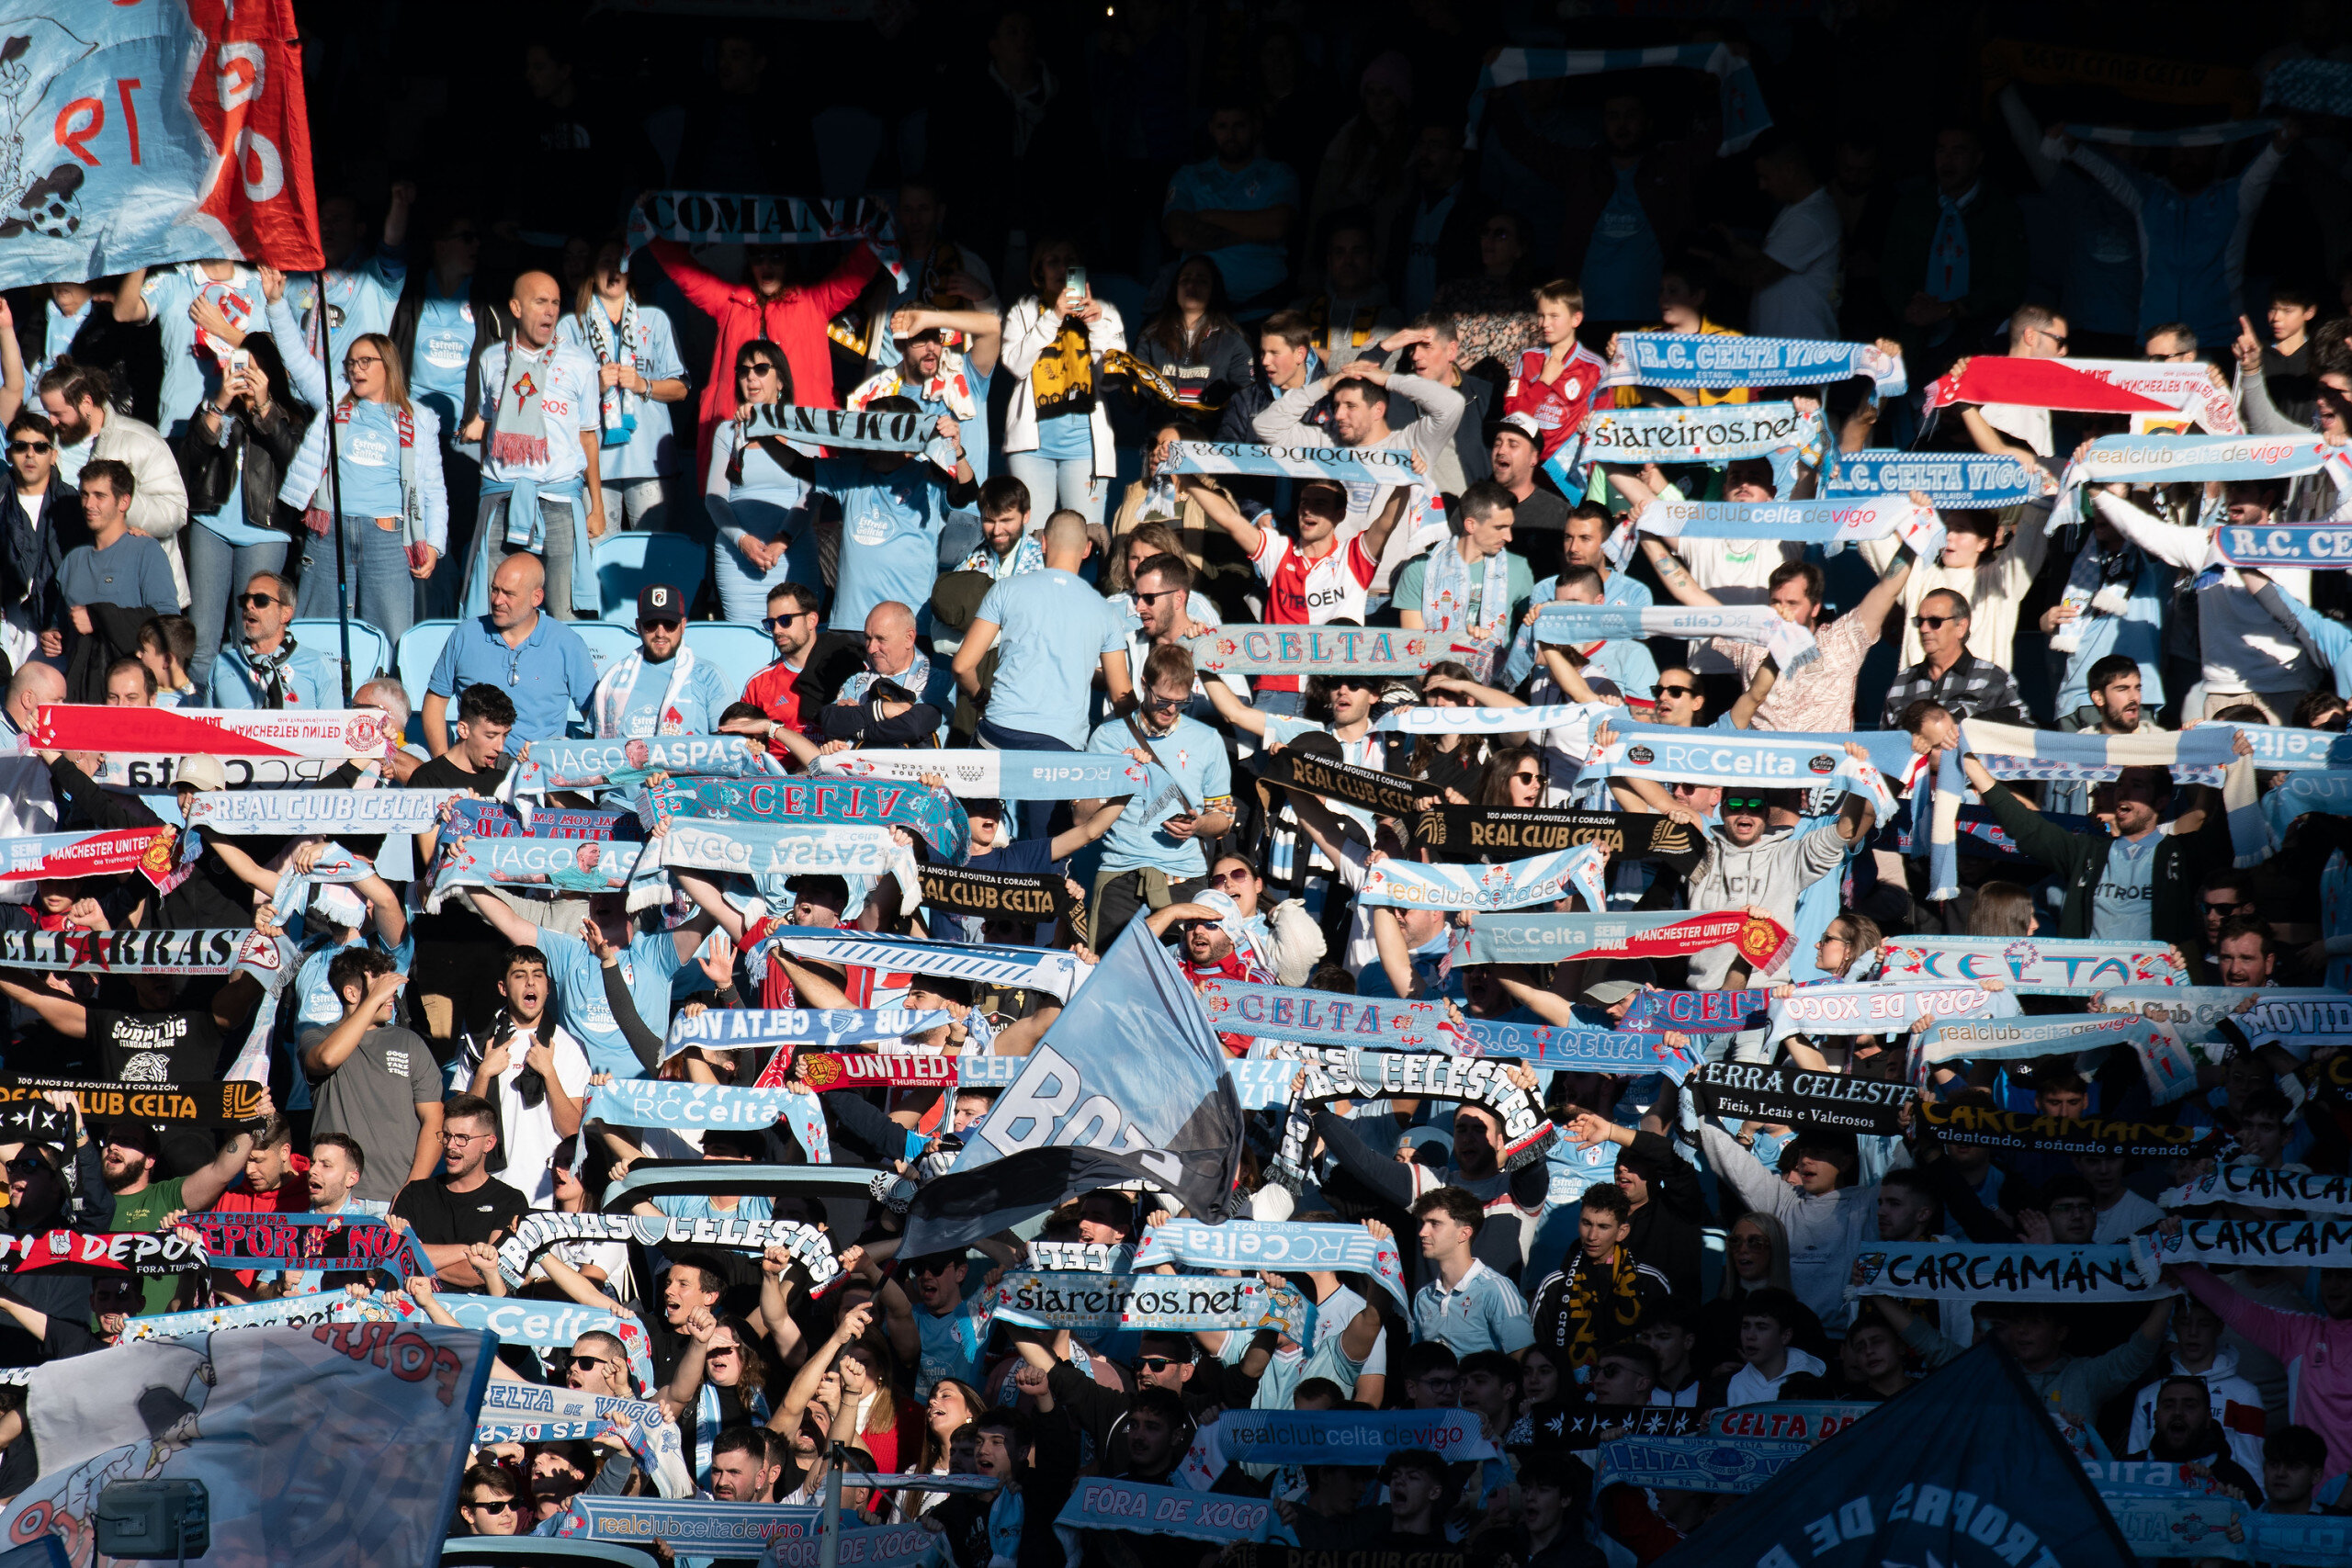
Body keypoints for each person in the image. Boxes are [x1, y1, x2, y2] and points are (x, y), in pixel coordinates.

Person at [648, 226, 882, 479]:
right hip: (740, 438)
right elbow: (685, 274)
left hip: (800, 441)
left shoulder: (814, 302)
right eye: (758, 256)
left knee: (803, 502)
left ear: (789, 261)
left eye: (776, 256)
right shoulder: (730, 304)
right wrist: (649, 231)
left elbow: (855, 272)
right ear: (749, 263)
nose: (766, 265)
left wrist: (880, 229)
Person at [953, 511, 1131, 841]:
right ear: (1087, 550)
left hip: (998, 734)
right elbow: (1122, 696)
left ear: (1044, 544)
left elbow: (962, 666)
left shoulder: (1006, 589)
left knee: (970, 842)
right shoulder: (1106, 612)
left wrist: (980, 698)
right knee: (1046, 853)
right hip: (1059, 749)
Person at [276, 329, 445, 643]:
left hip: (387, 539)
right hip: (330, 534)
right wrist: (274, 306)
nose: (356, 369)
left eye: (365, 361)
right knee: (319, 635)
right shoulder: (335, 400)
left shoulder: (419, 418)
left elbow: (433, 490)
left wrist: (434, 544)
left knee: (388, 637)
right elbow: (296, 360)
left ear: (388, 365)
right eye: (351, 363)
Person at [458, 271, 604, 619]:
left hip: (559, 499)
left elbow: (587, 436)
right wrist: (486, 490)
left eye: (555, 302)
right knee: (493, 608)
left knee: (563, 610)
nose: (550, 310)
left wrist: (596, 506)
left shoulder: (580, 362)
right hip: (501, 498)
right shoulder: (491, 359)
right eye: (540, 302)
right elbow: (489, 429)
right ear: (516, 308)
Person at [1079, 643, 1233, 950]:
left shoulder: (1207, 739)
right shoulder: (1107, 737)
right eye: (1163, 700)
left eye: (1181, 702)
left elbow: (1224, 819)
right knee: (1111, 971)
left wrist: (1198, 825)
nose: (1171, 709)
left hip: (1184, 880)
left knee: (1178, 975)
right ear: (1144, 685)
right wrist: (1120, 774)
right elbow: (1080, 817)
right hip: (1121, 876)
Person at [175, 334, 308, 688]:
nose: (246, 377)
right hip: (211, 526)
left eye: (254, 370)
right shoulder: (217, 407)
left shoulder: (292, 415)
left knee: (249, 633)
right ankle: (201, 707)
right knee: (203, 636)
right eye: (240, 368)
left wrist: (264, 407)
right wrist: (219, 404)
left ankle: (245, 706)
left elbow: (295, 464)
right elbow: (189, 460)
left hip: (265, 532)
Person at [554, 239, 691, 533]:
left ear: (631, 272)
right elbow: (555, 398)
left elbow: (681, 388)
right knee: (597, 552)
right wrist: (595, 386)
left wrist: (644, 385)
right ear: (592, 271)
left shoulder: (655, 320)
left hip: (649, 461)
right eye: (606, 262)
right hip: (593, 464)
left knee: (650, 552)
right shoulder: (570, 326)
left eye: (621, 263)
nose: (614, 270)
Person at [36, 361, 189, 609]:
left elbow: (175, 511)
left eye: (58, 413)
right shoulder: (47, 446)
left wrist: (120, 507)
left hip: (137, 592)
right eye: (48, 413)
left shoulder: (139, 441)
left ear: (86, 403)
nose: (52, 421)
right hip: (73, 586)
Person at [299, 947, 442, 1207]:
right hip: (337, 1200)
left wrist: (413, 1188)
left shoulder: (410, 1043)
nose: (391, 995)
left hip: (396, 1199)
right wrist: (372, 1000)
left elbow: (434, 1119)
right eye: (381, 987)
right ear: (351, 994)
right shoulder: (317, 1037)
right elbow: (327, 1059)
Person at [450, 945, 591, 1206]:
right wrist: (484, 1073)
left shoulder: (570, 1046)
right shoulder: (479, 1045)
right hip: (487, 1191)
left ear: (547, 987)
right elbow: (458, 1129)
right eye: (519, 975)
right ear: (503, 988)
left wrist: (548, 1072)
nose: (530, 982)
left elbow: (573, 1130)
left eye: (537, 975)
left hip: (546, 1194)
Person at [1000, 238, 1124, 531]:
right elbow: (1016, 365)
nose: (1062, 269)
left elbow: (1111, 381)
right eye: (1053, 261)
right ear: (1039, 270)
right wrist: (1054, 316)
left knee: (1085, 537)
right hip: (1032, 449)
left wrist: (1096, 325)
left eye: (1070, 262)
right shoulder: (1024, 310)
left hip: (1085, 448)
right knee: (1032, 537)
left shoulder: (1105, 312)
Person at [421, 553, 600, 751]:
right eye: (495, 590)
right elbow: (435, 702)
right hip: (473, 765)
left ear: (536, 598)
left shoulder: (567, 644)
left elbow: (595, 718)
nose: (498, 600)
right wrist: (443, 763)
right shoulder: (465, 635)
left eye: (509, 594)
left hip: (537, 766)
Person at [704, 339, 814, 620]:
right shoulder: (727, 432)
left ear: (781, 381)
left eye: (761, 369)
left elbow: (812, 495)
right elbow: (715, 499)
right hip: (736, 561)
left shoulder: (804, 429)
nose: (751, 377)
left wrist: (780, 541)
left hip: (791, 557)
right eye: (744, 371)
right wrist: (743, 541)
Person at [58, 460, 178, 703]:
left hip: (128, 697)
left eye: (99, 496)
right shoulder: (72, 560)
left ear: (124, 502)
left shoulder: (146, 551)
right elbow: (61, 622)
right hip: (78, 694)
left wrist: (100, 617)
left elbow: (169, 622)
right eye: (84, 495)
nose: (88, 504)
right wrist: (54, 635)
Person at [1390, 480, 1532, 683]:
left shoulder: (1517, 568)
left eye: (1509, 527)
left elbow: (1532, 634)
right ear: (1471, 524)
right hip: (1437, 687)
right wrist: (1445, 689)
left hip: (1496, 689)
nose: (1508, 537)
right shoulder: (1420, 568)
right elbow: (1415, 651)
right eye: (1499, 527)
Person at [1162, 100, 1298, 310]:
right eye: (1222, 126)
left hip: (1265, 304)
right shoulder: (1189, 176)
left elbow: (1276, 226)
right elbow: (1180, 235)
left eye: (1239, 126)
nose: (1231, 135)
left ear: (1255, 126)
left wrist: (1207, 217)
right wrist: (1253, 231)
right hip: (1202, 309)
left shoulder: (1278, 174)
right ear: (1211, 128)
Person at [1702, 137, 1841, 342]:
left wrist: (1712, 262)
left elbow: (1758, 274)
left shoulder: (1811, 218)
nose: (1761, 185)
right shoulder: (1797, 210)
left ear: (1789, 170)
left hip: (1801, 348)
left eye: (1765, 177)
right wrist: (1736, 245)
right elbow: (1782, 262)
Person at [391, 1092, 529, 1290]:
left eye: (462, 1138)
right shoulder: (414, 1193)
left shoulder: (509, 1201)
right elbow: (391, 1253)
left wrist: (415, 1256)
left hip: (476, 1308)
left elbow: (488, 1272)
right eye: (447, 1135)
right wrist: (464, 1252)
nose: (450, 1145)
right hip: (415, 1306)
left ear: (488, 1143)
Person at [1528, 1185, 1672, 1368]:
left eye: (1603, 1227)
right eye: (1586, 1223)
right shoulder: (1553, 1286)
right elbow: (1537, 1355)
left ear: (1622, 1232)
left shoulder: (1651, 1282)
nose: (1592, 1236)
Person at [590, 583, 729, 739]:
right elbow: (592, 742)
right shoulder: (613, 677)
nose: (660, 633)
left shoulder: (708, 676)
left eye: (669, 624)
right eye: (651, 624)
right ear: (638, 627)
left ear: (683, 625)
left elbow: (727, 743)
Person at [1408, 1186, 1535, 1357]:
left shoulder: (1496, 1289)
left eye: (1435, 1224)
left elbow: (1524, 1358)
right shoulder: (1423, 1297)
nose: (1423, 1232)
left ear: (1464, 1234)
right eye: (1423, 1223)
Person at [0, 410, 81, 674]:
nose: (30, 454)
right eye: (21, 446)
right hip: (6, 623)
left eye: (40, 447)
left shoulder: (73, 505)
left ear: (53, 455)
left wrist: (59, 624)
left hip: (52, 630)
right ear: (9, 453)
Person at [1880, 591, 2026, 725]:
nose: (1924, 629)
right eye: (1920, 621)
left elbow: (2023, 733)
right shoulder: (1902, 682)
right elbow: (1886, 740)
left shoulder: (1992, 678)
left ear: (1961, 627)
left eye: (1934, 621)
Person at [204, 571, 336, 710]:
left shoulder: (317, 665)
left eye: (261, 600)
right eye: (244, 599)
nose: (249, 605)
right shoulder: (223, 663)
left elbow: (336, 723)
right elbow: (206, 723)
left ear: (285, 614)